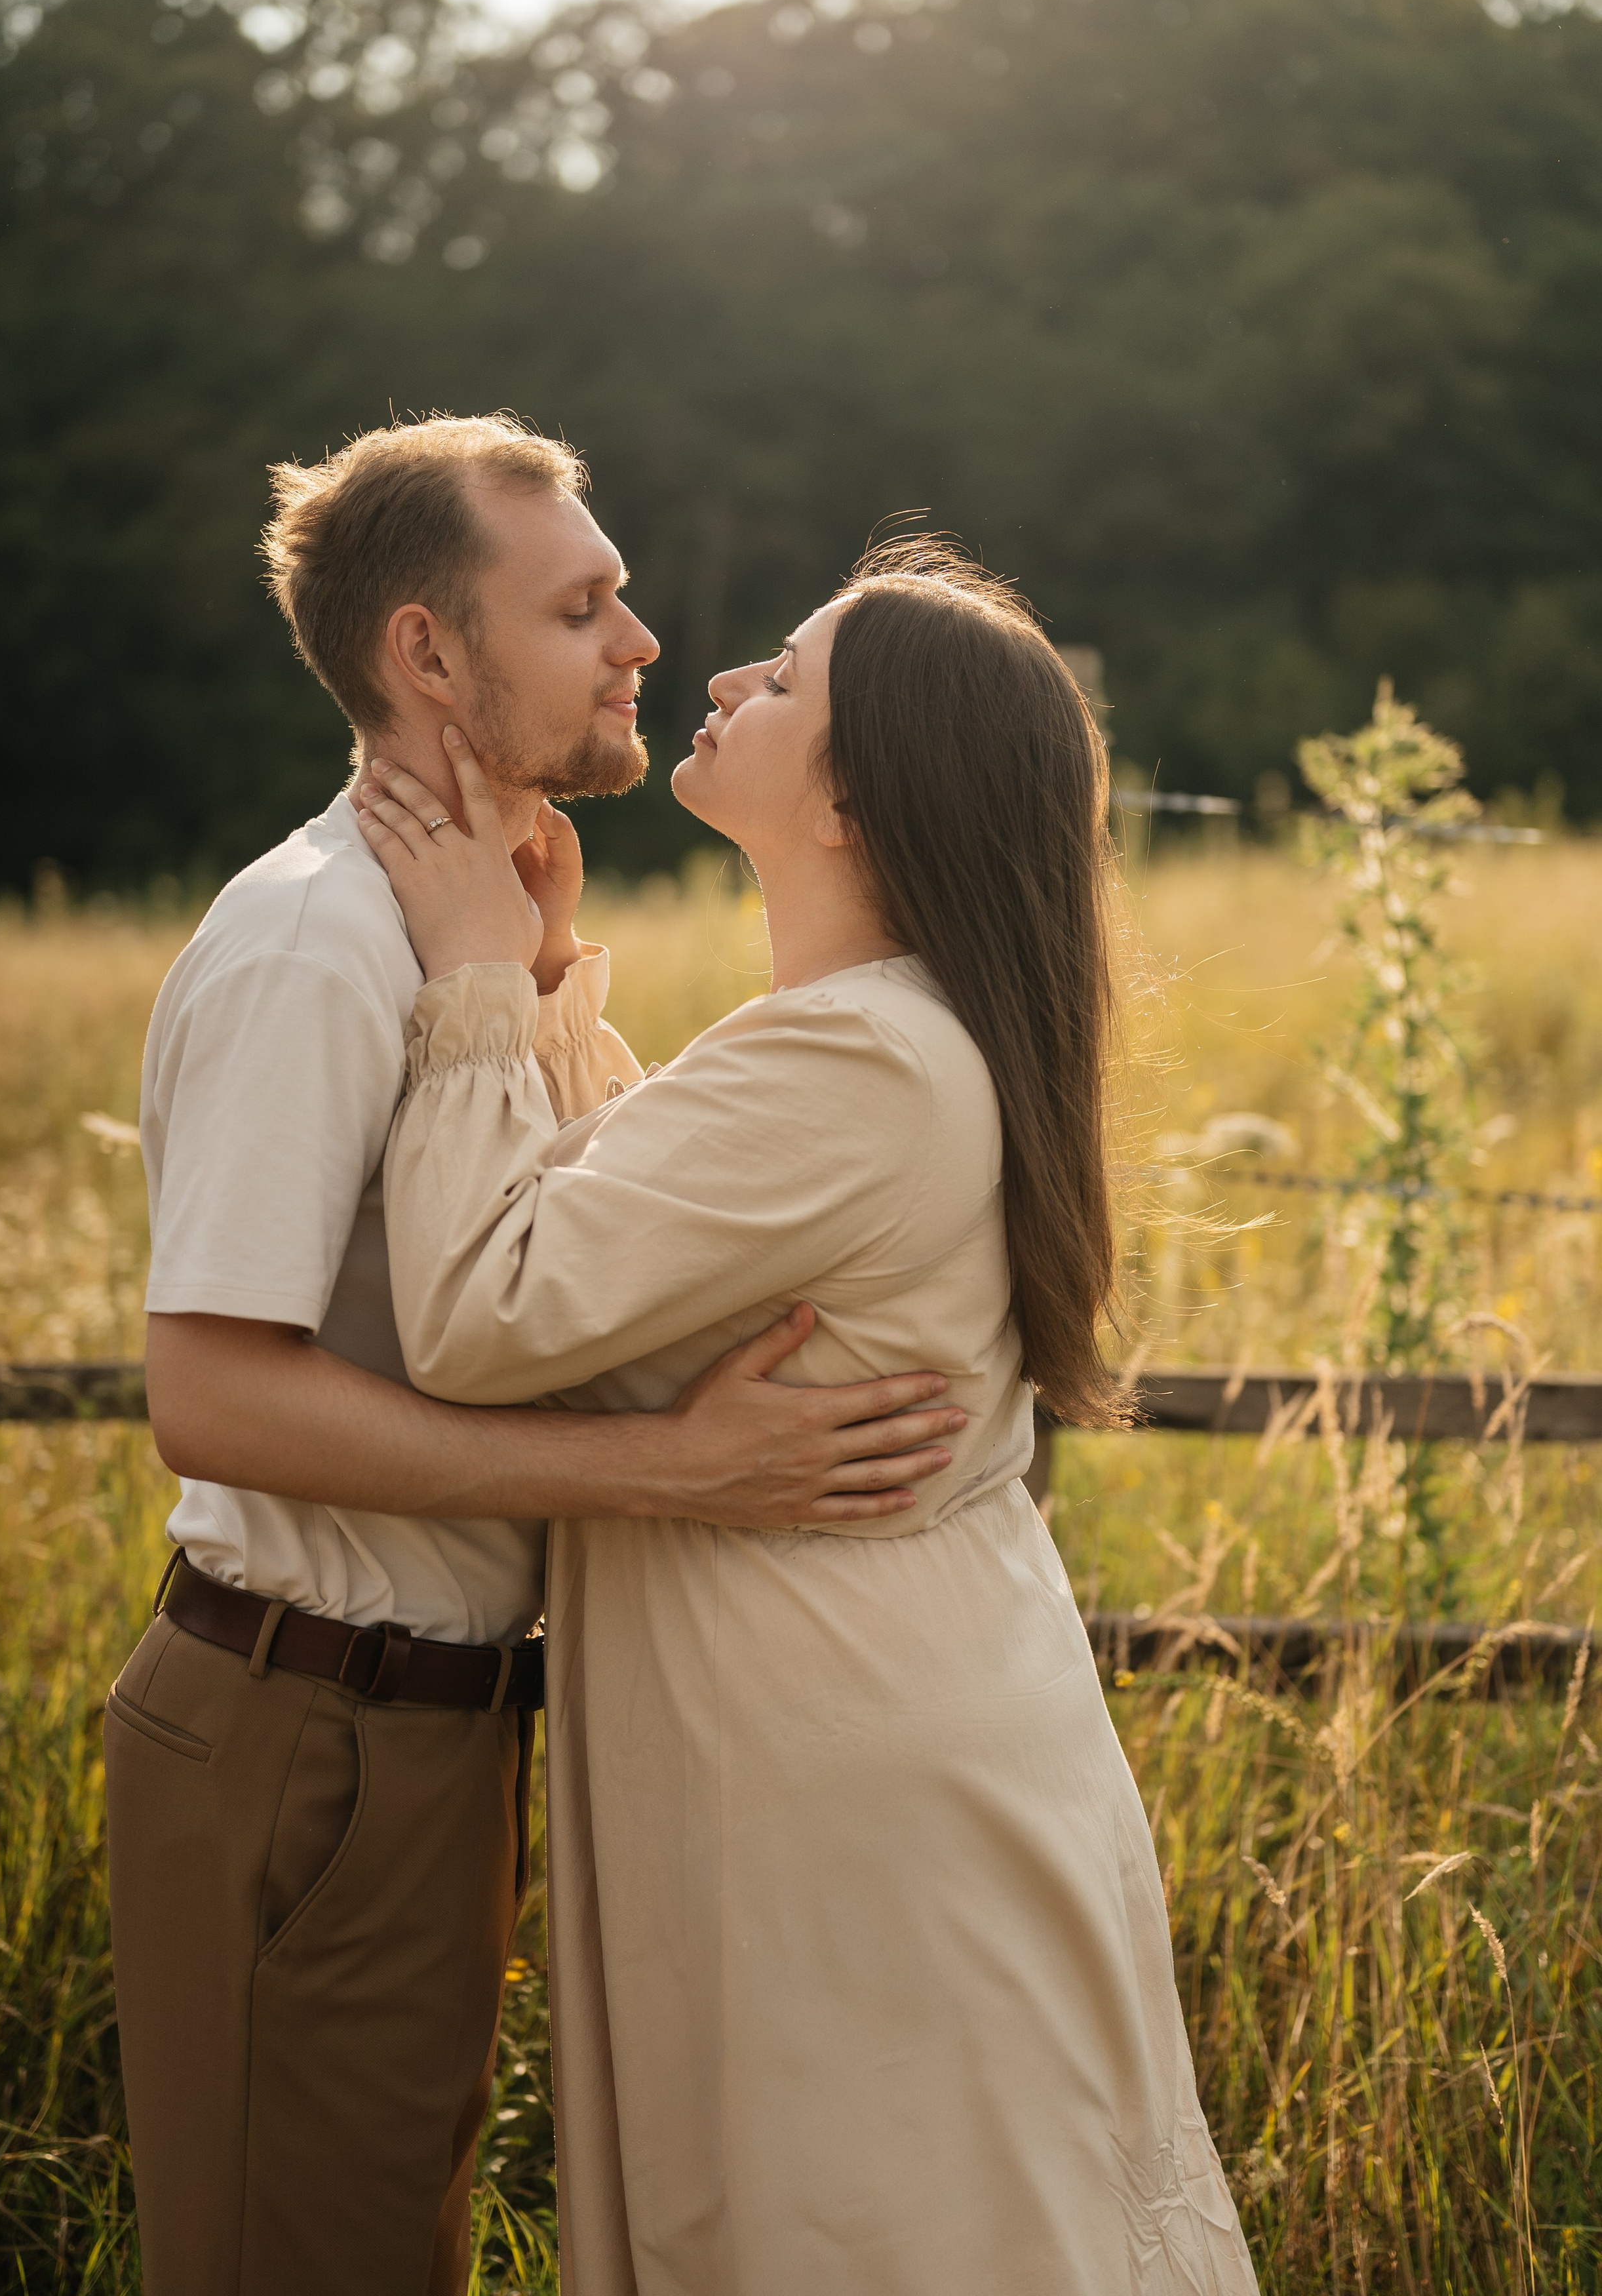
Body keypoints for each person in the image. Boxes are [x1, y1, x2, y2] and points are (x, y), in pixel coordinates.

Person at [106, 416, 959, 2296]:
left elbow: (564, 1270)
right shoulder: (317, 947)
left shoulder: (476, 940)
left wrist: (546, 985)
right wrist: (663, 1479)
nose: (643, 642)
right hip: (303, 1732)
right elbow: (213, 1395)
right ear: (427, 655)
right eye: (580, 607)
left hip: (428, 1732)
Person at [358, 536, 1260, 2296]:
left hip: (844, 1777)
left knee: (883, 2229)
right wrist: (546, 985)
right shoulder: (874, 1037)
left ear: (853, 799)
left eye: (782, 684)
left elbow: (480, 1312)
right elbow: (632, 1229)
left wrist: (470, 976)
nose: (719, 685)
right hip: (866, 1721)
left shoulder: (855, 1062)